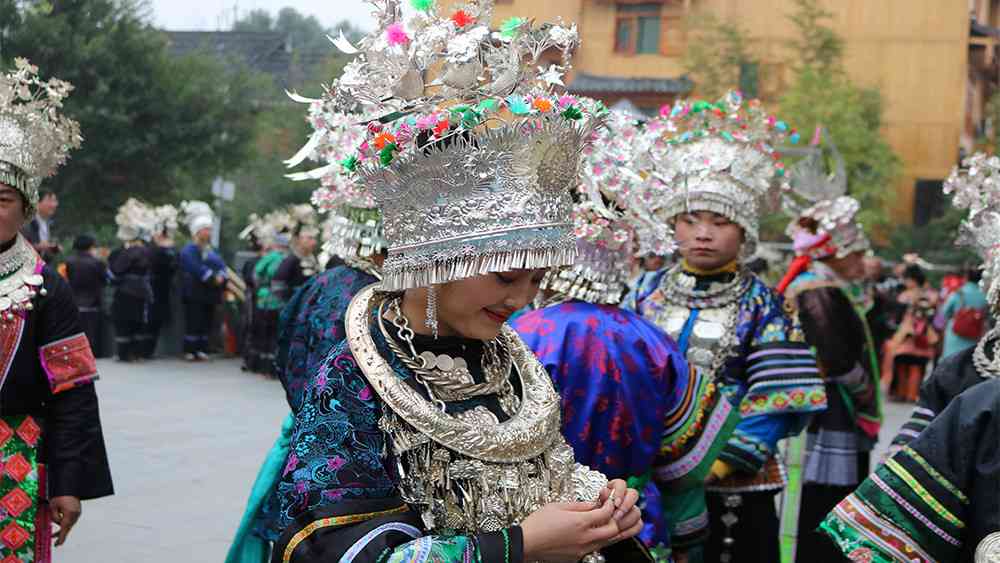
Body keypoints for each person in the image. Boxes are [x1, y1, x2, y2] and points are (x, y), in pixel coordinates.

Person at [268, 7, 647, 562]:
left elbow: (541, 477)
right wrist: (518, 547)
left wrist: (598, 503)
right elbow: (333, 551)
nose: (521, 300)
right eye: (506, 276)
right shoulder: (354, 377)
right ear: (439, 258)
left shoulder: (509, 361)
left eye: (537, 280)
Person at [625, 92, 826, 563]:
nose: (703, 233)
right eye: (690, 220)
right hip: (645, 472)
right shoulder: (642, 292)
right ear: (671, 225)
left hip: (733, 479)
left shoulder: (764, 303)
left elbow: (778, 396)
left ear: (744, 231)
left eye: (719, 222)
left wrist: (716, 463)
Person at [510, 109, 715, 562]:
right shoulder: (654, 339)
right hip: (635, 525)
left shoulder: (519, 333)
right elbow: (687, 462)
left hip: (544, 530)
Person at [0, 58, 113, 560]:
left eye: (2, 198)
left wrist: (68, 481)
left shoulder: (47, 287)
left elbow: (73, 391)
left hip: (17, 457)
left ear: (26, 208)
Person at [776, 195, 882, 563]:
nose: (859, 261)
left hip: (825, 404)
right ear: (833, 254)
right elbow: (836, 358)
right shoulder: (817, 288)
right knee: (825, 500)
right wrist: (866, 392)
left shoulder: (818, 283)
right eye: (854, 253)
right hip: (830, 409)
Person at [882, 264, 940, 403]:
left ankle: (901, 393)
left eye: (907, 279)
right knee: (918, 366)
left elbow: (896, 315)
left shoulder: (904, 296)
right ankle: (912, 395)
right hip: (924, 335)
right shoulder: (930, 295)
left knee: (902, 365)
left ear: (912, 280)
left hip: (905, 334)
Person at [179, 201, 227, 361]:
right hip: (193, 291)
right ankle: (190, 350)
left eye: (210, 229)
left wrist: (222, 275)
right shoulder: (189, 250)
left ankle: (202, 348)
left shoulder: (210, 250)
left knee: (207, 320)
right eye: (206, 229)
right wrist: (214, 277)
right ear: (198, 231)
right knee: (194, 320)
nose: (209, 232)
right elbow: (195, 268)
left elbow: (221, 265)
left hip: (209, 292)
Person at [108, 199, 154, 363]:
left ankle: (125, 354)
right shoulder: (145, 250)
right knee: (137, 321)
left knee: (125, 322)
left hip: (127, 291)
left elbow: (116, 270)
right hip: (140, 291)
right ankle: (135, 353)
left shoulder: (129, 251)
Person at [140, 206, 179, 360]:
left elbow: (174, 265)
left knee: (156, 320)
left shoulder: (169, 247)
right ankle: (143, 350)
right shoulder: (151, 247)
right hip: (151, 287)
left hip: (163, 287)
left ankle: (148, 350)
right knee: (150, 319)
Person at [64, 234, 107, 354]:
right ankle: (92, 353)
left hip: (75, 300)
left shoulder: (70, 261)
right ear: (91, 246)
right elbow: (104, 280)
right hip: (93, 301)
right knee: (92, 330)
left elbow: (70, 278)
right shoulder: (97, 262)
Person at [939, 265, 988, 359]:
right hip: (974, 333)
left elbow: (944, 313)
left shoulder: (957, 293)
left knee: (950, 364)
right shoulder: (984, 296)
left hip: (954, 334)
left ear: (966, 278)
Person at [21, 190, 60, 262]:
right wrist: (39, 247)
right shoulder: (26, 222)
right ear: (37, 202)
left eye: (55, 201)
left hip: (40, 265)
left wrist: (53, 248)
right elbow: (18, 248)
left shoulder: (49, 223)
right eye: (50, 200)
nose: (54, 204)